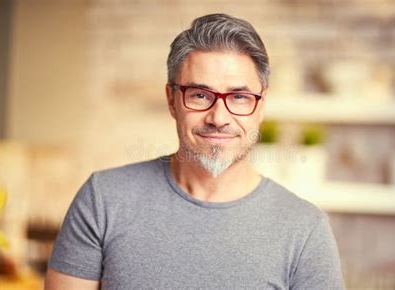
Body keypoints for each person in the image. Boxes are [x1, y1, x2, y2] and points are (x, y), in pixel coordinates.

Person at [45, 13, 345, 290]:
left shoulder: (305, 230)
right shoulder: (102, 200)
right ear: (171, 100)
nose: (219, 117)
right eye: (200, 95)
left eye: (239, 97)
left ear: (261, 106)